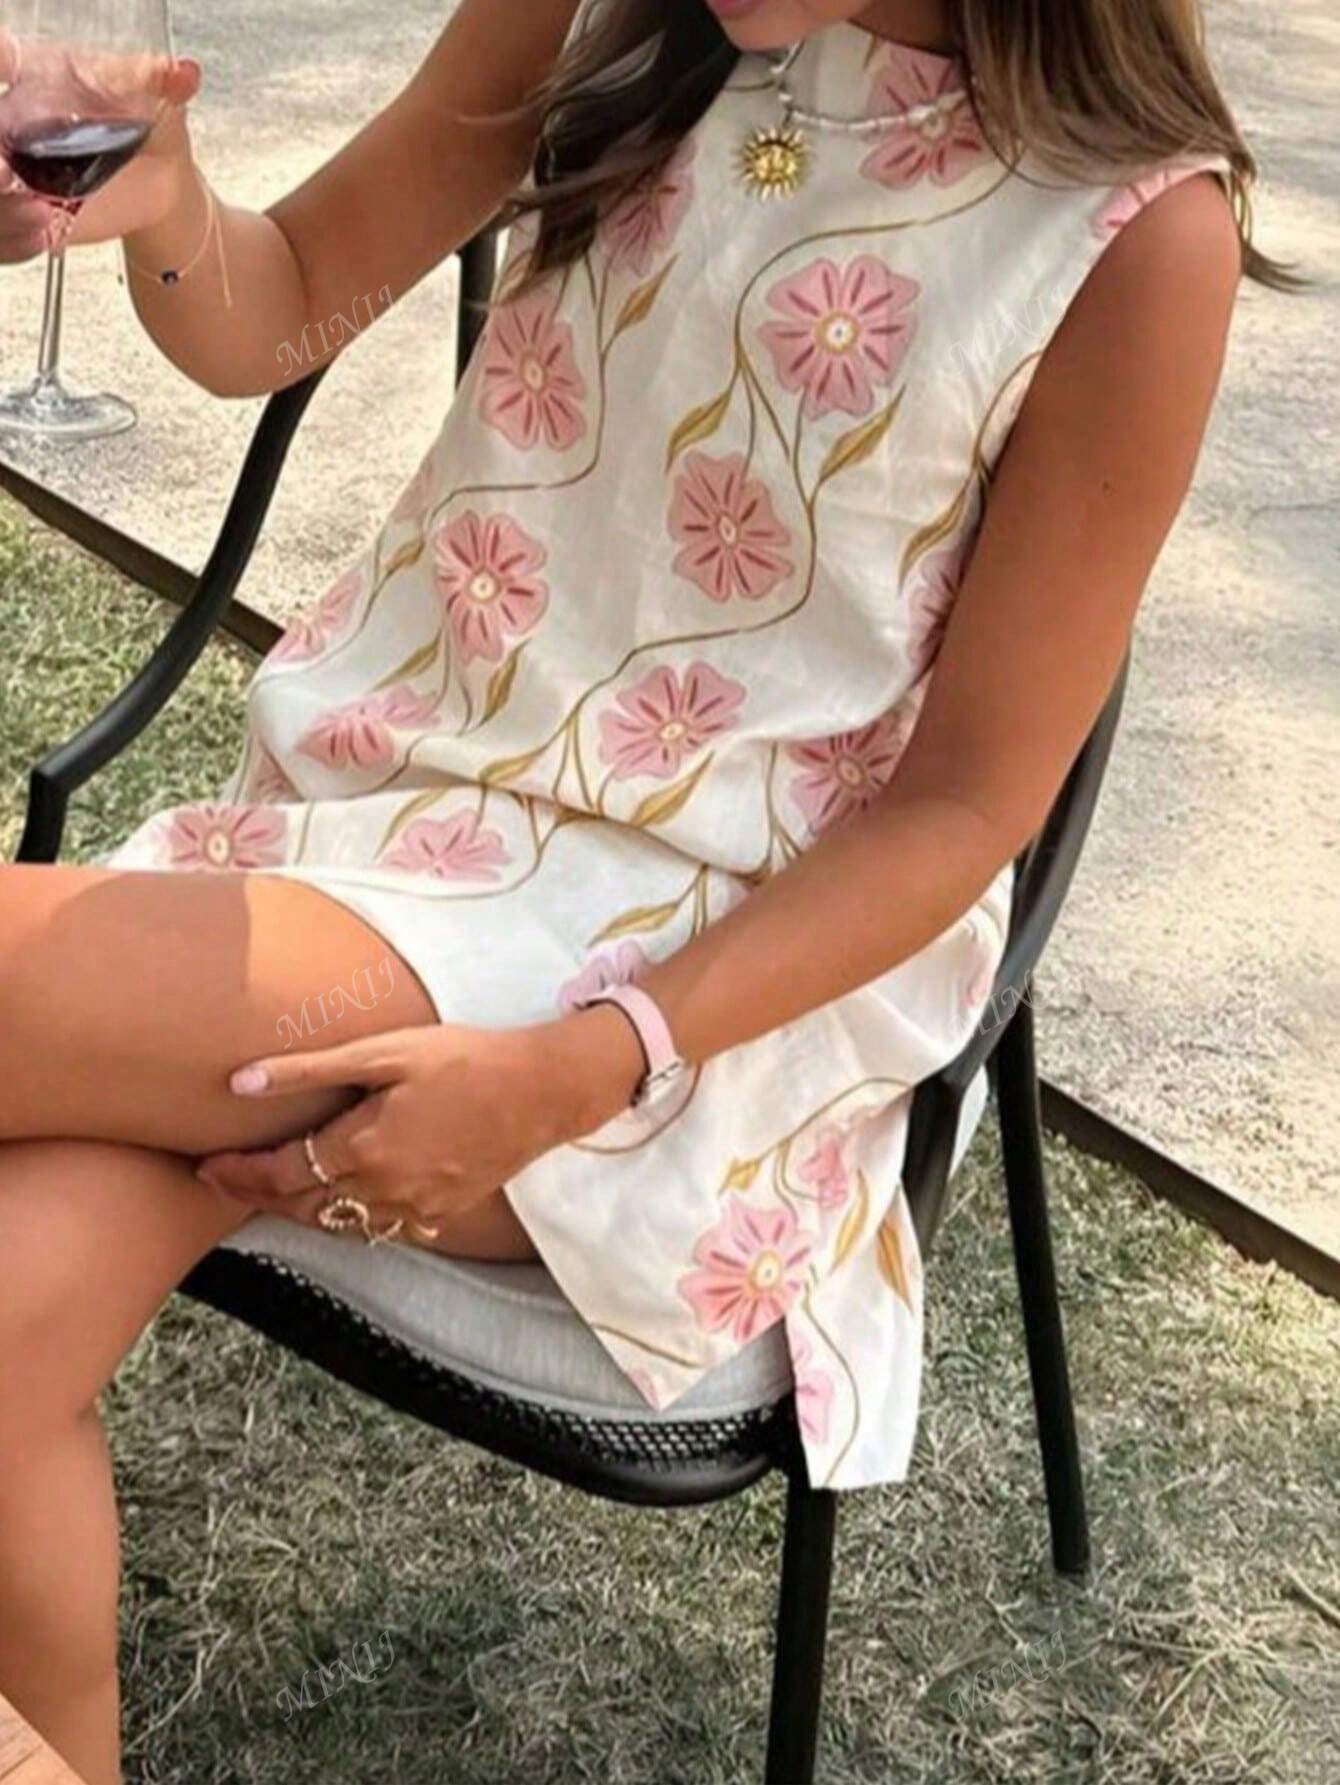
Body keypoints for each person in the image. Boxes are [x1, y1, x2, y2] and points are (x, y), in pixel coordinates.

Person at [0, 1, 1295, 1777]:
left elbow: (967, 808)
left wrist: (586, 1062)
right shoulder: (613, 17)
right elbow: (276, 298)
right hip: (386, 832)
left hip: (688, 993)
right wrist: (165, 201)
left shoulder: (1137, 239)